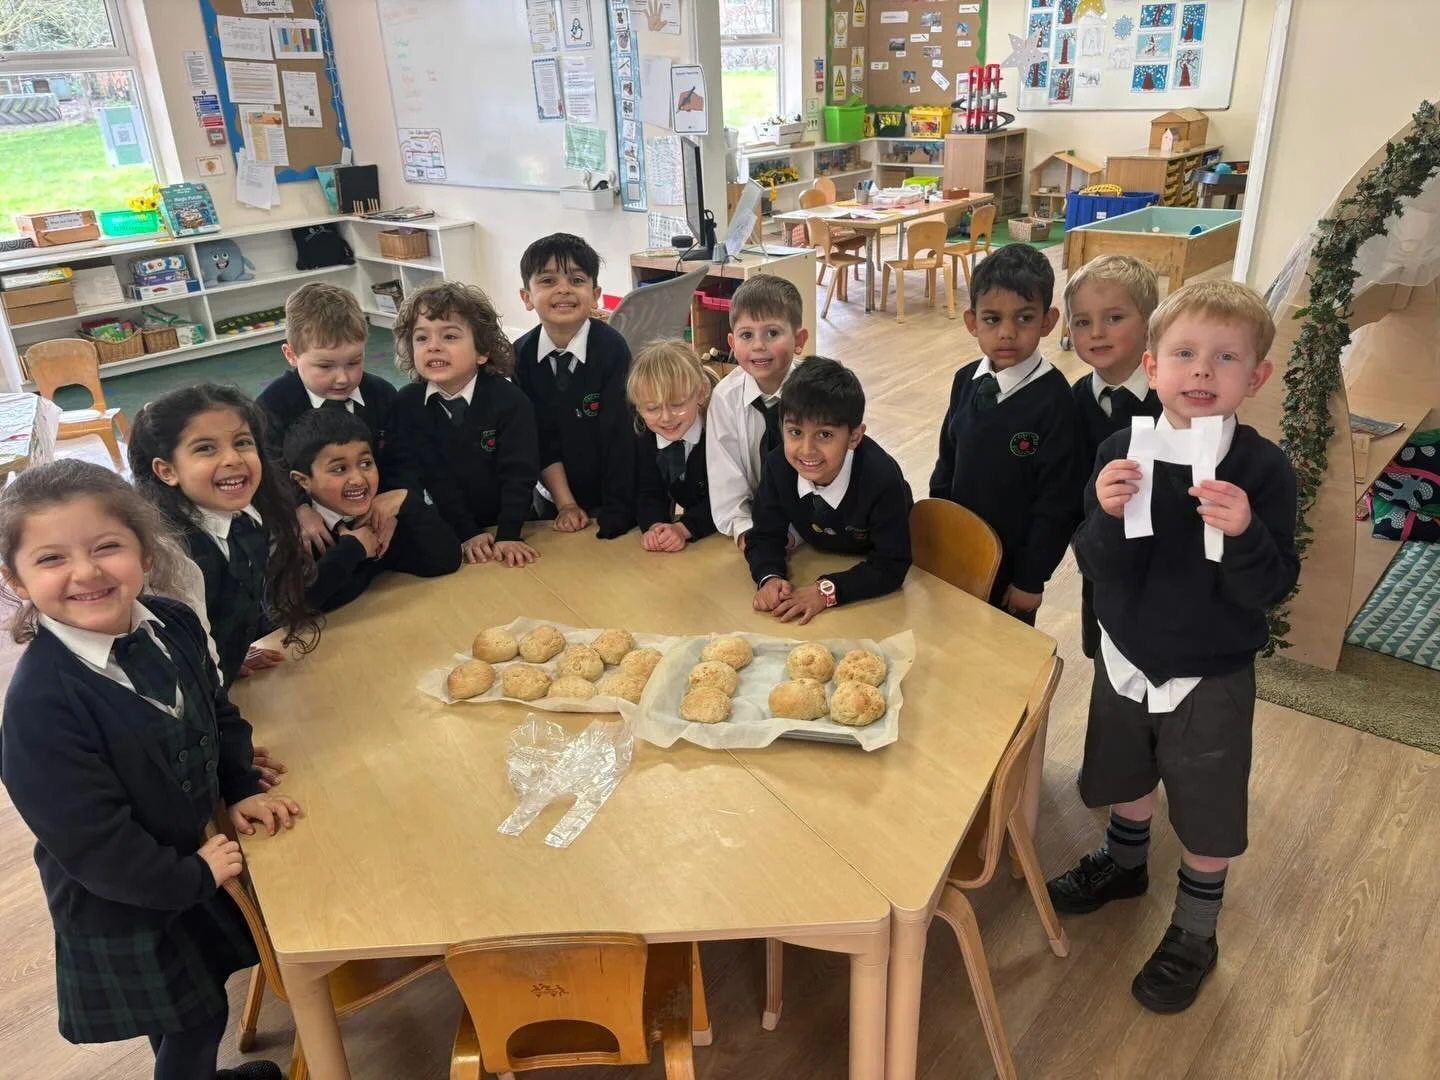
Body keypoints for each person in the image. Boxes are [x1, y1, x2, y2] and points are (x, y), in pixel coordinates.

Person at [0, 459, 301, 1080]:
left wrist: (239, 785)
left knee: (195, 1002)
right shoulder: (38, 707)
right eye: (52, 559)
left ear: (144, 552)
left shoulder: (176, 623)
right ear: (16, 579)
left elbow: (216, 713)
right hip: (126, 894)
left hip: (187, 862)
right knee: (190, 1020)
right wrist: (191, 877)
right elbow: (94, 845)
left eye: (107, 546)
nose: (85, 572)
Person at [1049, 280, 1299, 1014]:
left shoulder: (1262, 470)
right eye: (1185, 354)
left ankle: (1195, 928)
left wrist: (1247, 532)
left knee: (1206, 804)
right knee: (1126, 773)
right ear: (1152, 366)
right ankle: (1125, 865)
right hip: (1127, 655)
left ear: (1255, 378)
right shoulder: (1121, 447)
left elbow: (1271, 587)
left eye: (1225, 358)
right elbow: (1097, 565)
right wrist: (1101, 513)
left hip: (1210, 672)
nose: (1201, 371)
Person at [928, 243, 1084, 625]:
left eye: (1024, 318)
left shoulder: (1055, 401)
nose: (1008, 333)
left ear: (1047, 321)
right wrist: (939, 532)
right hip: (959, 553)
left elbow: (1057, 504)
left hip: (1014, 569)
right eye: (993, 319)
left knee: (1001, 656)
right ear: (972, 322)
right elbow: (948, 458)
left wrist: (1031, 578)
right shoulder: (966, 380)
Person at [128, 383, 319, 687]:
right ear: (167, 471)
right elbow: (178, 657)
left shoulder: (250, 515)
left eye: (242, 442)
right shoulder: (171, 553)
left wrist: (232, 654)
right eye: (205, 448)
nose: (232, 459)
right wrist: (215, 676)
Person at [748, 356, 912, 623]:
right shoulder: (779, 465)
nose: (807, 450)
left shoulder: (882, 479)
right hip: (815, 556)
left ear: (854, 437)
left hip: (871, 588)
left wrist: (826, 592)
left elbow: (891, 564)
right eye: (795, 432)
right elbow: (764, 534)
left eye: (824, 435)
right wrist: (769, 577)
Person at [390, 280, 541, 566]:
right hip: (450, 524)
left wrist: (510, 532)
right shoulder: (407, 404)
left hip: (514, 520)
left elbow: (519, 474)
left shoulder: (510, 401)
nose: (433, 347)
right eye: (421, 338)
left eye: (449, 336)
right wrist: (466, 532)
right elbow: (431, 475)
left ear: (482, 352)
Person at [256, 282, 412, 558]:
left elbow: (403, 454)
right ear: (291, 355)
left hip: (371, 503)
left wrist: (393, 500)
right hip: (312, 518)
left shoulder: (381, 394)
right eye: (325, 366)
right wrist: (299, 508)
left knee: (439, 550)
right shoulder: (273, 405)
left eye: (354, 362)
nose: (343, 378)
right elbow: (269, 467)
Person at [1065, 255, 1164, 657]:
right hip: (1101, 561)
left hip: (1162, 568)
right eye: (1082, 322)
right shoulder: (1072, 400)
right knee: (1107, 654)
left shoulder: (1173, 405)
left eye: (1115, 318)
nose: (1097, 333)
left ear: (1150, 323)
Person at [512, 233, 635, 538]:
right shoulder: (519, 357)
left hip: (612, 490)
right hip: (553, 493)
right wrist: (566, 504)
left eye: (576, 280)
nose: (563, 289)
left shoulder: (612, 349)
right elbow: (538, 437)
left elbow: (619, 436)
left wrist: (616, 506)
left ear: (595, 295)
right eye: (548, 281)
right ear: (527, 297)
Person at [283, 408, 461, 610]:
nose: (358, 479)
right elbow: (293, 607)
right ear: (303, 481)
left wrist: (408, 501)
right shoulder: (300, 535)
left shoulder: (383, 517)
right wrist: (353, 550)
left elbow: (446, 561)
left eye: (366, 463)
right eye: (339, 469)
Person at [706, 274, 810, 549]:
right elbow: (725, 479)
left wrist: (797, 534)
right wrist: (745, 532)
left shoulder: (816, 392)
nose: (758, 345)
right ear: (731, 342)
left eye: (772, 333)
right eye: (746, 335)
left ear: (799, 340)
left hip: (816, 526)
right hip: (757, 524)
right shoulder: (725, 398)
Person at [627, 340, 719, 551]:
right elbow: (648, 490)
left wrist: (684, 528)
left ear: (701, 393)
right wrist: (655, 526)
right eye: (652, 408)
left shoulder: (718, 433)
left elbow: (727, 497)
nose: (666, 417)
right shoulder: (644, 436)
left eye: (677, 405)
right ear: (638, 408)